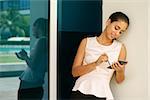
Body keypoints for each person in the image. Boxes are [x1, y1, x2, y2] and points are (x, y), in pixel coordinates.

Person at [71, 12, 129, 100]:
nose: (117, 33)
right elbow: (74, 72)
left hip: (102, 93)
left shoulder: (120, 48)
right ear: (108, 22)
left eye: (121, 32)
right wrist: (96, 63)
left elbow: (119, 81)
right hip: (81, 91)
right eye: (116, 28)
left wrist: (120, 71)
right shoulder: (86, 42)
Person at [16, 18, 48, 100]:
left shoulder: (42, 41)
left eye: (33, 28)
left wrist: (25, 57)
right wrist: (25, 57)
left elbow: (33, 65)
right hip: (35, 83)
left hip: (30, 84)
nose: (32, 31)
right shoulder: (46, 41)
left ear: (37, 27)